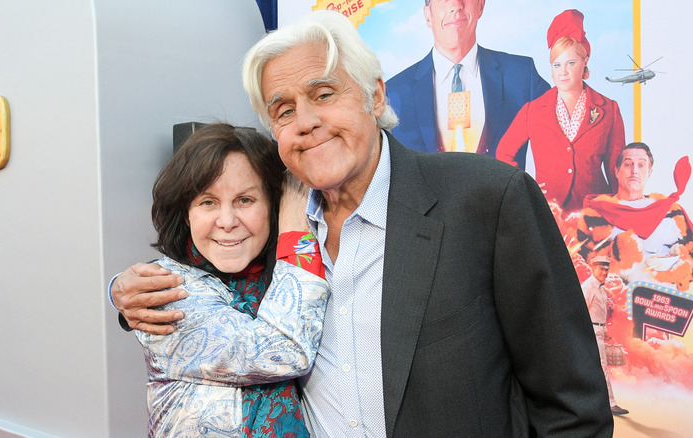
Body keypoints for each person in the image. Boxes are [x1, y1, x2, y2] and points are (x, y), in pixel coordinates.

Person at [112, 11, 613, 437]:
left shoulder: (486, 199)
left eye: (324, 93)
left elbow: (572, 406)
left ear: (375, 96)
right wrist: (123, 292)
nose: (305, 121)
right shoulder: (271, 232)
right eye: (283, 111)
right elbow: (212, 293)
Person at [134, 123, 330, 437]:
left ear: (273, 206)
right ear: (186, 214)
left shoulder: (280, 273)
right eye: (208, 202)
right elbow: (283, 351)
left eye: (244, 200)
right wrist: (296, 234)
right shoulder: (164, 291)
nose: (227, 222)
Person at [385, 0, 550, 168]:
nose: (456, 5)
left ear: (481, 5)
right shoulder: (392, 94)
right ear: (428, 15)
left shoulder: (522, 76)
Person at [496, 9, 626, 212]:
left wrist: (621, 211)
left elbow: (616, 170)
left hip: (596, 215)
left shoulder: (609, 109)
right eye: (556, 65)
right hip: (548, 213)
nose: (562, 72)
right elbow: (504, 153)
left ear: (585, 62)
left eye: (570, 63)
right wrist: (524, 191)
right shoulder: (533, 110)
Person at [577, 142, 693, 291]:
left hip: (664, 301)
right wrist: (618, 258)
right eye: (628, 164)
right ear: (617, 171)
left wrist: (682, 268)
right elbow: (580, 265)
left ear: (649, 172)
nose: (634, 171)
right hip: (616, 300)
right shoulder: (594, 214)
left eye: (641, 165)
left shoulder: (671, 211)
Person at [580, 255, 628, 416]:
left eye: (607, 269)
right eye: (601, 268)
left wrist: (605, 330)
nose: (605, 272)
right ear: (593, 268)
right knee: (601, 367)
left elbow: (598, 312)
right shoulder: (588, 286)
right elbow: (582, 312)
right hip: (591, 332)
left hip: (598, 330)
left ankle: (591, 403)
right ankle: (611, 404)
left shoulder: (601, 288)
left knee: (593, 368)